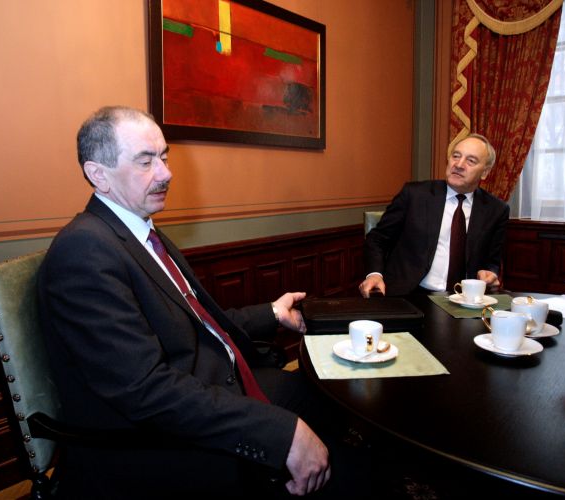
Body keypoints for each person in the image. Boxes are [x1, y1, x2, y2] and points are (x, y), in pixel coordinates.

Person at [38, 106, 367, 498]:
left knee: (329, 401)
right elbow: (146, 390)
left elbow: (199, 322)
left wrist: (271, 313)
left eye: (164, 157)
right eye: (145, 161)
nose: (166, 173)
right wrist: (281, 433)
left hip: (217, 383)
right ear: (98, 174)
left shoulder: (140, 233)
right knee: (351, 477)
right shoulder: (83, 251)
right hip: (156, 442)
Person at [359, 134, 509, 298]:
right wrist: (374, 274)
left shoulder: (496, 210)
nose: (459, 165)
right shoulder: (414, 195)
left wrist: (490, 273)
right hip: (410, 295)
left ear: (485, 172)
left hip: (466, 299)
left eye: (471, 161)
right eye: (456, 156)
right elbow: (377, 239)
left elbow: (492, 261)